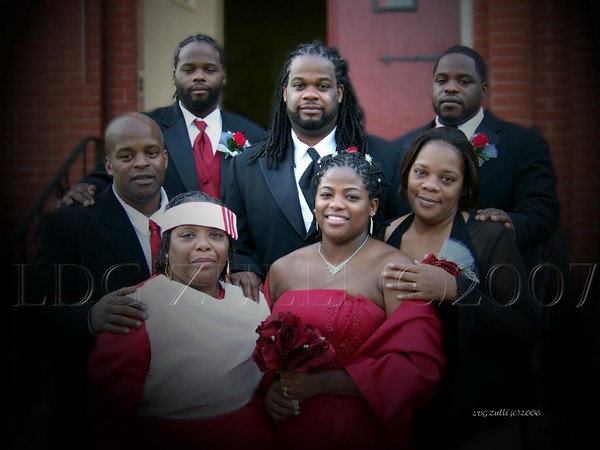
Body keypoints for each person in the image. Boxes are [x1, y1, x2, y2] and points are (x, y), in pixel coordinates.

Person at [261, 149, 445, 449]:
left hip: (362, 426)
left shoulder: (396, 269)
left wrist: (326, 383)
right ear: (315, 201)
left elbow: (417, 364)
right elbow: (258, 351)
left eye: (351, 196)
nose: (336, 204)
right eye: (326, 194)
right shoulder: (283, 268)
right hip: (295, 428)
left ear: (372, 206)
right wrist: (270, 391)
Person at [381, 127, 541, 449]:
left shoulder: (489, 237)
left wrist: (457, 289)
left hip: (477, 419)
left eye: (447, 178)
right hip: (406, 414)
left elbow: (526, 326)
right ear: (407, 173)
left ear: (465, 186)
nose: (430, 186)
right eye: (421, 172)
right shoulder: (385, 236)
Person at [87, 191, 273, 450]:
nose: (204, 244)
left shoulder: (252, 300)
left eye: (216, 235)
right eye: (187, 234)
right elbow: (110, 415)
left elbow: (268, 380)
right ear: (165, 248)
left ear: (229, 249)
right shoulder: (138, 307)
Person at [28, 112, 169, 448]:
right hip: (95, 411)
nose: (141, 163)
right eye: (126, 155)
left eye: (151, 153)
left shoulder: (194, 220)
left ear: (164, 158)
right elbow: (36, 314)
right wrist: (90, 316)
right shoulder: (67, 226)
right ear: (108, 166)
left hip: (181, 408)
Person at [226, 40, 404, 300]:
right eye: (300, 86)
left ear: (339, 93)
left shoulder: (385, 158)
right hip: (272, 312)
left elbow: (399, 230)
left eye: (322, 86)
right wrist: (244, 267)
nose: (310, 94)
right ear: (285, 92)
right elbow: (238, 243)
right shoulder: (246, 167)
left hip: (362, 312)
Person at [394, 45, 559, 272]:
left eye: (463, 81)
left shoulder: (523, 144)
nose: (451, 88)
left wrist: (512, 224)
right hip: (414, 277)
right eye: (442, 81)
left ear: (483, 89)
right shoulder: (403, 147)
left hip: (494, 279)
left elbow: (543, 212)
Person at [61, 33, 267, 206]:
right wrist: (88, 187)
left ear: (224, 76)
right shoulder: (146, 127)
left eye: (209, 69)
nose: (199, 77)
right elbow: (111, 170)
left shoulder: (255, 135)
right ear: (174, 75)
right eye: (189, 69)